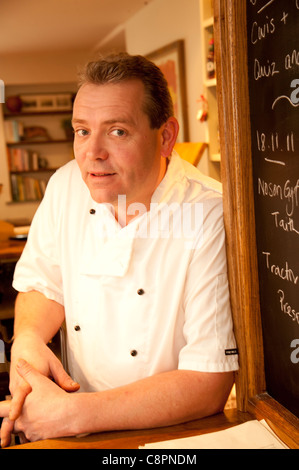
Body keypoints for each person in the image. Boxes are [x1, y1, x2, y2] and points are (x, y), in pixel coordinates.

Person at [0, 53, 238, 447]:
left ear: (165, 136)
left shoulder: (211, 212)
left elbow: (208, 382)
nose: (92, 152)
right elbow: (42, 283)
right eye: (81, 131)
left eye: (117, 132)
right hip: (73, 422)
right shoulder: (65, 187)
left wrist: (70, 415)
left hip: (174, 435)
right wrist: (27, 340)